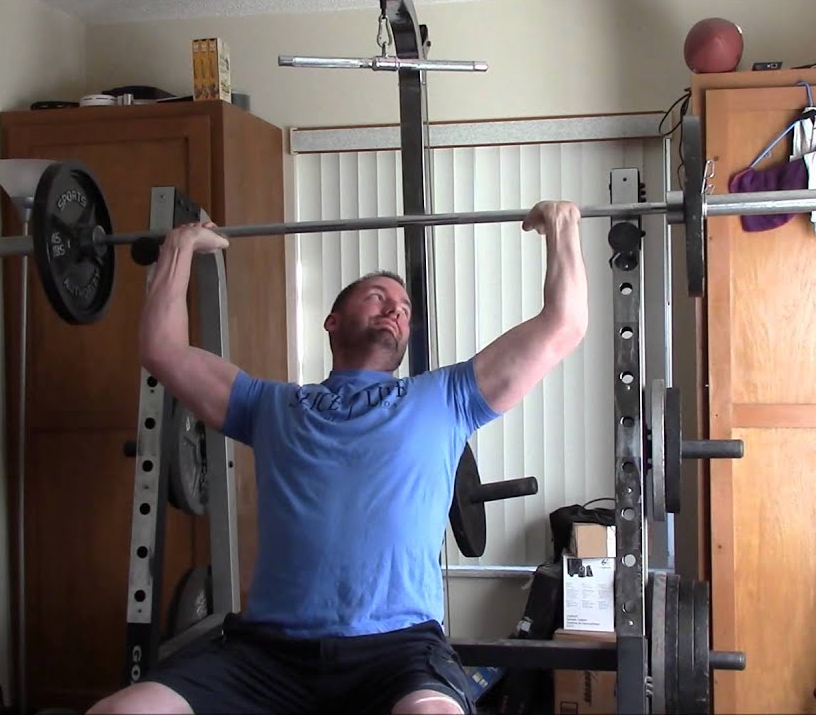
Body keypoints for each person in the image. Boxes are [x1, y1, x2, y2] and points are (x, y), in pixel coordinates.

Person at [88, 201, 589, 715]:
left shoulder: (447, 398)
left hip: (397, 651)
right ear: (332, 321)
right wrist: (179, 249)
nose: (396, 310)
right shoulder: (269, 405)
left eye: (404, 308)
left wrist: (562, 228)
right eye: (378, 297)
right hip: (267, 653)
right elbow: (162, 349)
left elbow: (564, 325)